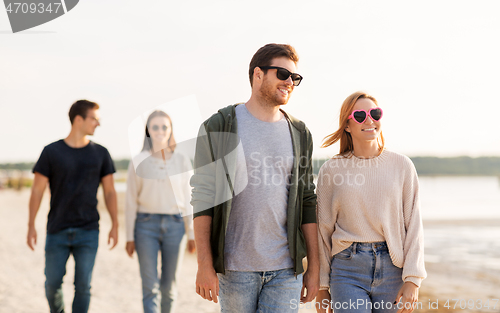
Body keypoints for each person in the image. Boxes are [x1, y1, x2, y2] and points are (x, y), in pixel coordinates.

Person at [190, 43, 319, 312]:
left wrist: (314, 268)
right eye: (283, 74)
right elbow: (203, 196)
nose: (290, 82)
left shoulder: (300, 133)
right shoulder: (218, 126)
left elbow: (307, 201)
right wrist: (204, 264)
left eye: (295, 78)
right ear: (258, 74)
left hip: (286, 269)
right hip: (235, 268)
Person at [315, 92, 426, 313]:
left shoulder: (402, 166)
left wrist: (413, 279)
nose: (369, 120)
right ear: (347, 125)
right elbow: (322, 231)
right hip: (347, 269)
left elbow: (414, 225)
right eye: (360, 115)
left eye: (375, 113)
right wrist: (322, 286)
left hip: (393, 269)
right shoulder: (331, 169)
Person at [27, 99, 118, 313]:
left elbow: (110, 191)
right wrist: (31, 224)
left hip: (88, 230)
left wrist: (115, 223)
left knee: (83, 287)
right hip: (57, 229)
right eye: (94, 119)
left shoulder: (101, 153)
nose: (98, 124)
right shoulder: (51, 151)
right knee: (52, 285)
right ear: (79, 119)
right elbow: (37, 190)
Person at [125, 110, 196, 313]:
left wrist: (191, 233)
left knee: (169, 288)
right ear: (148, 130)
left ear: (170, 130)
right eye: (155, 127)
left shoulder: (182, 160)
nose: (160, 131)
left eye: (164, 126)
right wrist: (129, 236)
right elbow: (130, 200)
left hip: (176, 227)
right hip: (145, 226)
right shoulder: (137, 161)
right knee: (150, 287)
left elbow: (190, 199)